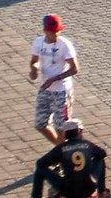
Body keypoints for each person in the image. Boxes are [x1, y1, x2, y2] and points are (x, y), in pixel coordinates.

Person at [28, 14, 79, 144]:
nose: (56, 34)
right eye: (53, 32)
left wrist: (54, 79)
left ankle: (62, 155)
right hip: (45, 89)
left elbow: (74, 68)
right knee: (40, 124)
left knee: (61, 128)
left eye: (58, 31)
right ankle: (60, 150)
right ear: (45, 31)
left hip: (62, 90)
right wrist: (34, 68)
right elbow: (35, 60)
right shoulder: (38, 42)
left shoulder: (65, 45)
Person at [27, 119, 106, 198]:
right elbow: (103, 153)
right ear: (79, 131)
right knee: (100, 159)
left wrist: (56, 160)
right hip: (89, 188)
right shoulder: (87, 144)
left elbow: (40, 163)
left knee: (39, 170)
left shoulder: (61, 148)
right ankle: (101, 192)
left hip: (68, 191)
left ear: (65, 134)